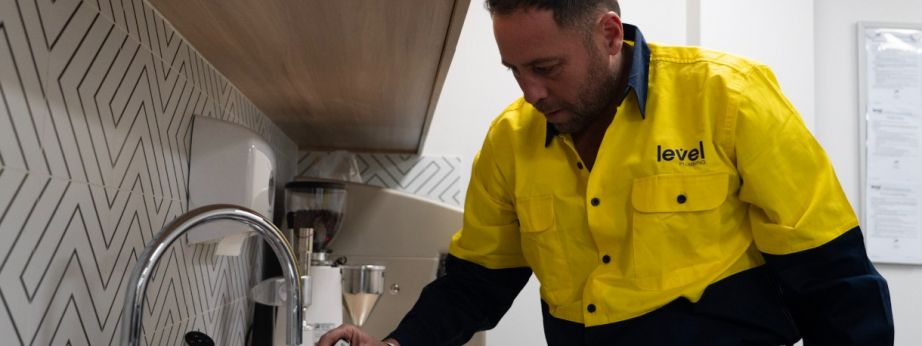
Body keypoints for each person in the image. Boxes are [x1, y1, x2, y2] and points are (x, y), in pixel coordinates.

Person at [318, 0, 895, 345]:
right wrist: (397, 342)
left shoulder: (728, 98)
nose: (530, 92)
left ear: (609, 34)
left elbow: (834, 278)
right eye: (514, 70)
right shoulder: (509, 142)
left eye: (546, 67)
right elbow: (477, 283)